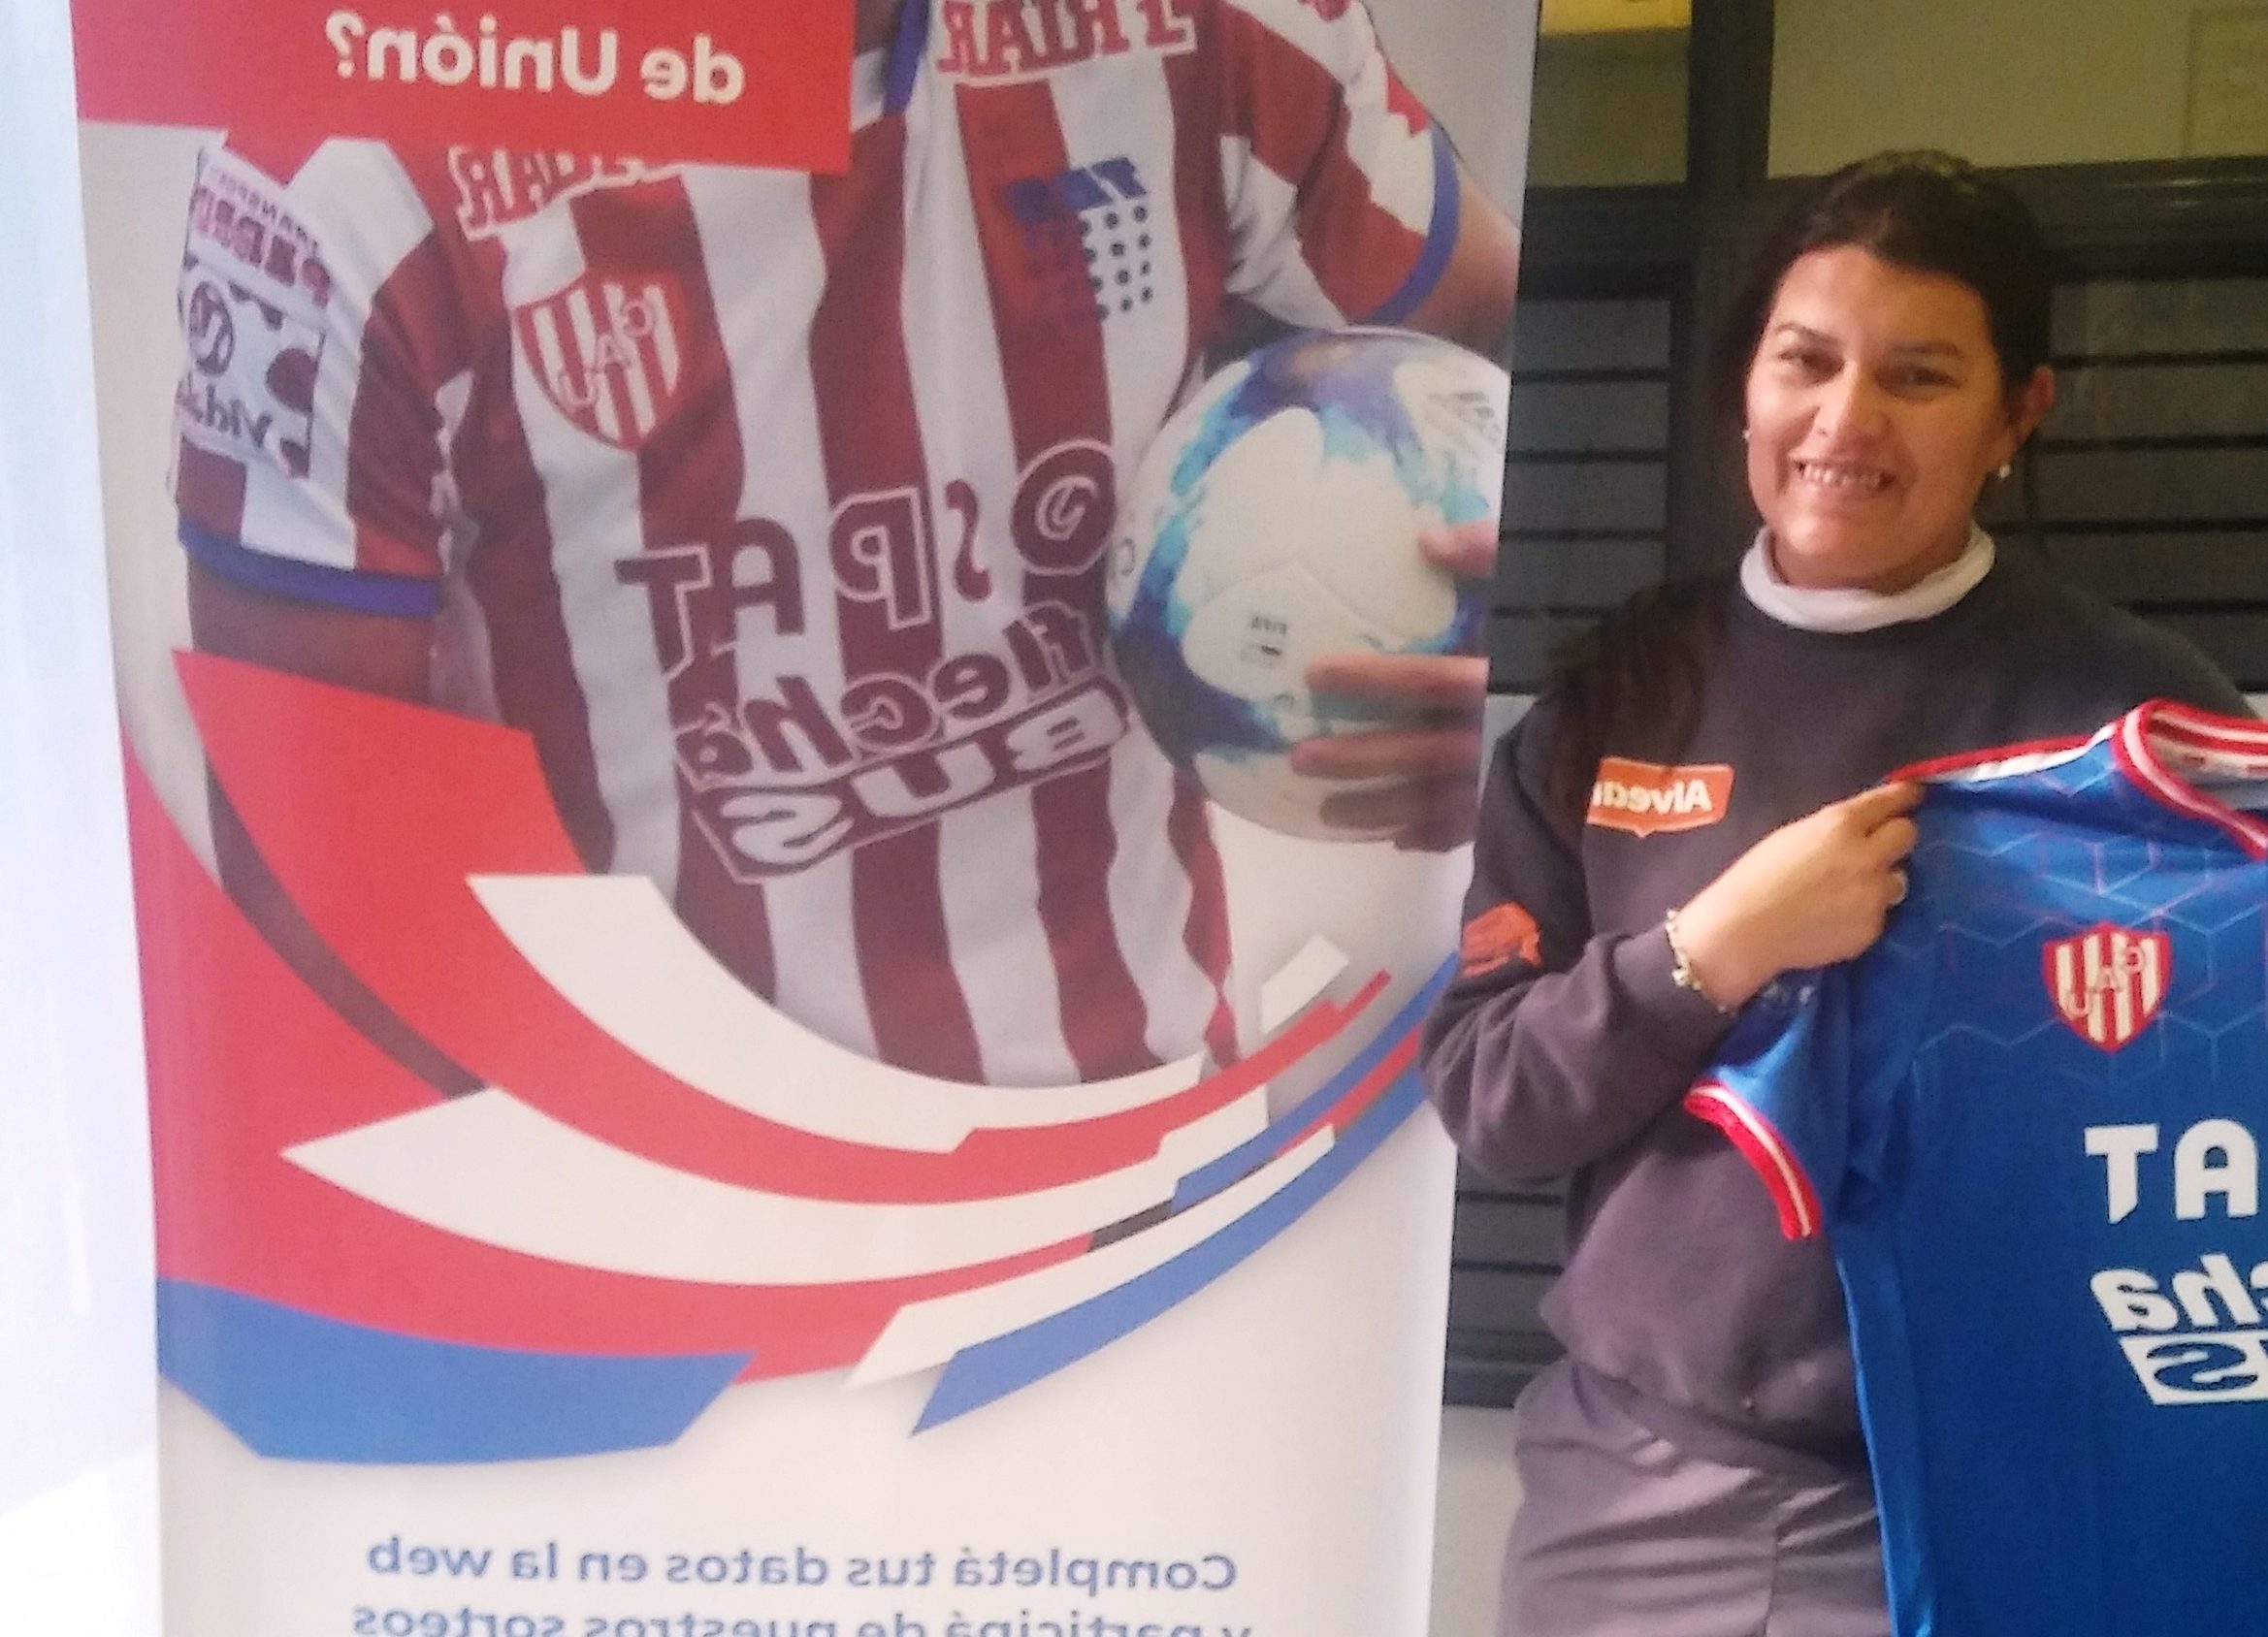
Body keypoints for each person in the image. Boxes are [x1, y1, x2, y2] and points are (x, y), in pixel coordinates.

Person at [171, 0, 1520, 1091]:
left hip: (1130, 1155)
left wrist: (1469, 658)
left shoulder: (1222, 29)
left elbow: (1486, 347)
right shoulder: (343, 161)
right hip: (652, 1220)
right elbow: (319, 888)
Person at [1420, 149, 2251, 1637]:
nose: (1843, 422)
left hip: (2015, 1474)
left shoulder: (2131, 712)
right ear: (1745, 382)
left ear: (2018, 414)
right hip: (1642, 1487)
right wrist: (1711, 948)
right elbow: (1492, 1097)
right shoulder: (1618, 693)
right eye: (1804, 361)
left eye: (1918, 377)